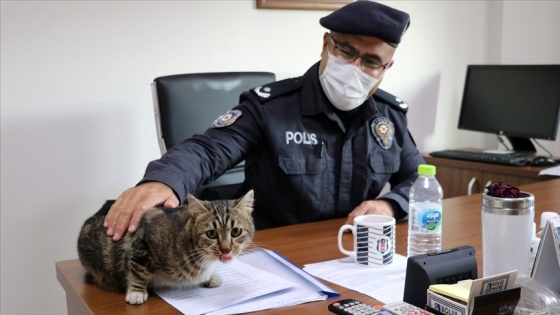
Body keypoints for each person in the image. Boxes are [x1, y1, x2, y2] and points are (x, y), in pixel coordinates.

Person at [105, 0, 425, 241]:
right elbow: (207, 150)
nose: (356, 67)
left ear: (386, 68)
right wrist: (163, 180)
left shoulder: (389, 115)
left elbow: (418, 179)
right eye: (345, 51)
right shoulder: (270, 107)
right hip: (271, 253)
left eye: (370, 62)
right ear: (326, 45)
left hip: (351, 254)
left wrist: (390, 206)